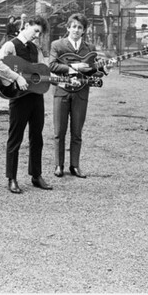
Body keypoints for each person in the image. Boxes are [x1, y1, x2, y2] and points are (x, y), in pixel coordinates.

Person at [0, 14, 53, 194]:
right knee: (15, 137)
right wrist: (16, 77)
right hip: (18, 97)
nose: (37, 36)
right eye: (35, 31)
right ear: (26, 25)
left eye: (40, 33)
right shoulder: (11, 45)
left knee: (37, 136)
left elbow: (41, 70)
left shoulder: (36, 48)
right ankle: (12, 178)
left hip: (36, 96)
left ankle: (36, 175)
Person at [48, 13, 108, 179]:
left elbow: (94, 72)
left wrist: (104, 69)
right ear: (68, 28)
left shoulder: (90, 49)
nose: (76, 30)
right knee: (59, 131)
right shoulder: (57, 45)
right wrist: (74, 67)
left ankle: (74, 166)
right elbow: (52, 65)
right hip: (62, 92)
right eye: (73, 26)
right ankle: (59, 165)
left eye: (79, 27)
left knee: (77, 132)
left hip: (81, 93)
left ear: (84, 31)